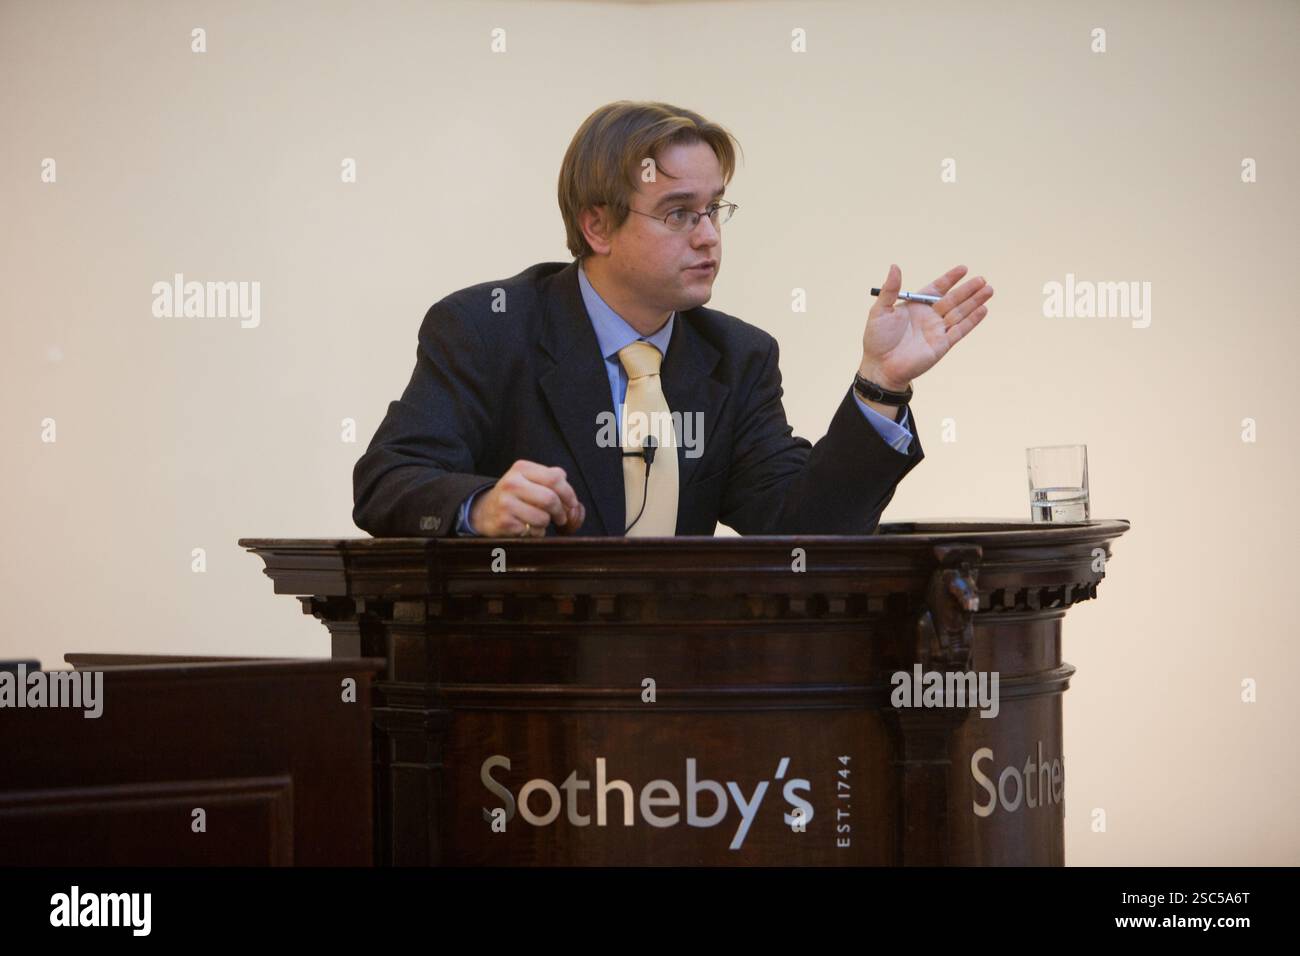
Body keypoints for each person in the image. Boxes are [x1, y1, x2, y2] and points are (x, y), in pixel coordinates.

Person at [352, 101, 993, 538]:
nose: (709, 237)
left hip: (688, 681)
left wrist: (880, 382)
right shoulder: (488, 328)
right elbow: (387, 479)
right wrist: (480, 504)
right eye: (679, 212)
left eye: (715, 209)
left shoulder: (737, 357)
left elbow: (799, 525)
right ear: (597, 225)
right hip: (529, 675)